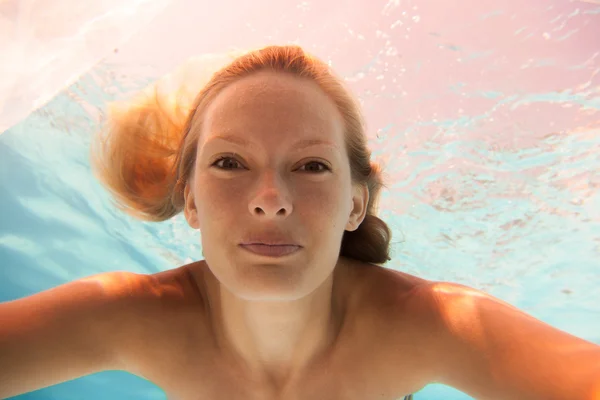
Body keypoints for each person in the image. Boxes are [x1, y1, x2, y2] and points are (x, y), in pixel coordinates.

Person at [1, 45, 599, 400]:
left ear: (357, 204)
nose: (270, 199)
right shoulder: (134, 314)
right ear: (189, 199)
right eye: (229, 162)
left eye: (311, 165)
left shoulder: (431, 323)